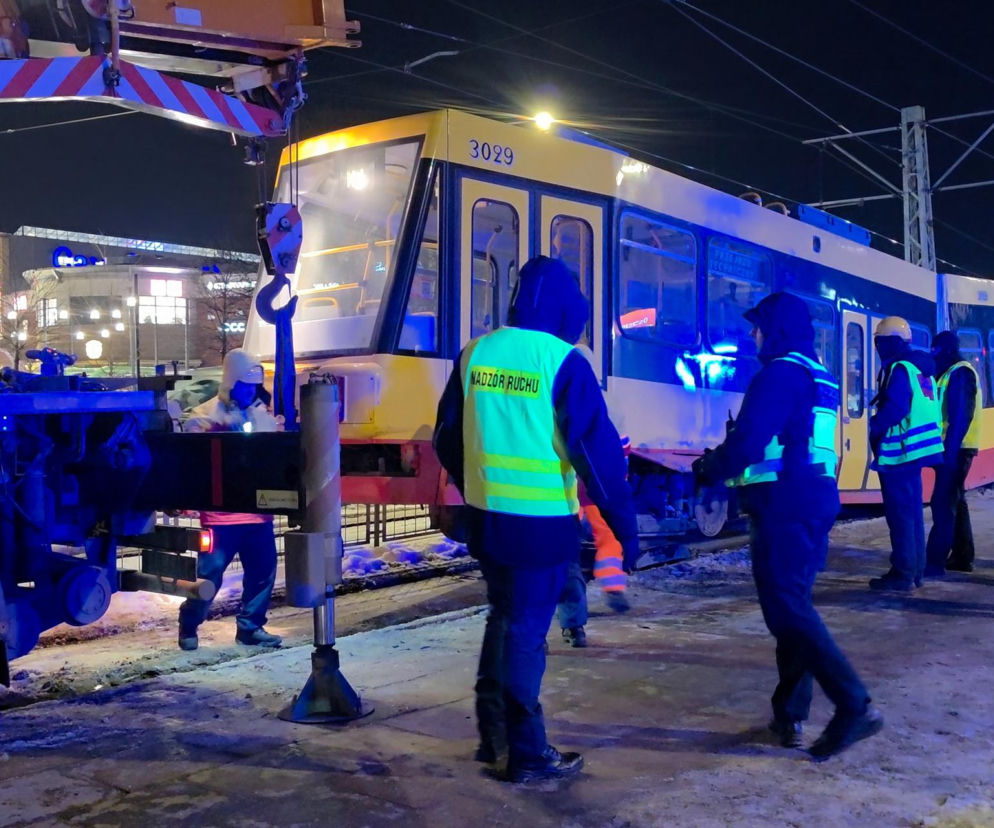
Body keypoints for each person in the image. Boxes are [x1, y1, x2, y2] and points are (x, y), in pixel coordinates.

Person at [433, 255, 638, 783]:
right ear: (566, 309)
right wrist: (624, 528)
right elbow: (598, 458)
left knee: (503, 621)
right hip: (541, 527)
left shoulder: (475, 353)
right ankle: (526, 754)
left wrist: (480, 486)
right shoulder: (562, 361)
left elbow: (446, 438)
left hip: (488, 522)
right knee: (525, 635)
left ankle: (493, 737)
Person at [693, 292, 882, 762]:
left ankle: (853, 703)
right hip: (815, 497)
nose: (753, 334)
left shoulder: (779, 374)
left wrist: (708, 469)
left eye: (758, 325)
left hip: (785, 501)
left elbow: (749, 443)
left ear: (775, 328)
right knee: (794, 608)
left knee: (787, 612)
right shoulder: (819, 375)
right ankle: (790, 715)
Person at [177, 348, 283, 651]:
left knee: (262, 573)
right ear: (231, 382)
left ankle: (250, 627)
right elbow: (193, 457)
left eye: (253, 386)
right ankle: (189, 624)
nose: (250, 391)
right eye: (244, 385)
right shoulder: (206, 416)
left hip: (257, 512)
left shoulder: (261, 415)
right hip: (221, 516)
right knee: (209, 576)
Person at [867, 317, 943, 592]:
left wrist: (874, 425)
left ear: (890, 342)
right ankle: (916, 570)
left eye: (879, 342)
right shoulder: (921, 367)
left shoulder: (899, 368)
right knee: (912, 514)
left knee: (900, 515)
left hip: (899, 452)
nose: (877, 347)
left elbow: (897, 408)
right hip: (918, 450)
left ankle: (902, 574)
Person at [925, 331, 980, 576]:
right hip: (953, 447)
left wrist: (949, 451)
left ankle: (935, 562)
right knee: (955, 500)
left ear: (947, 349)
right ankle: (962, 556)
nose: (932, 354)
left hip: (957, 448)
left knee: (943, 503)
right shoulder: (950, 372)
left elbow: (961, 416)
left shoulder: (960, 372)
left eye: (935, 349)